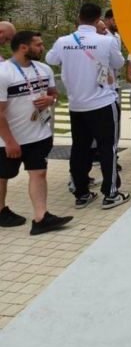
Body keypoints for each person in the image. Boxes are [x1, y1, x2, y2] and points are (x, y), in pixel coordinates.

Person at [47, 2, 129, 210]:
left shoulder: (63, 41)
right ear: (97, 19)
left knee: (80, 148)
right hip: (102, 102)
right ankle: (110, 193)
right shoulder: (106, 41)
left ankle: (81, 193)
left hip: (76, 104)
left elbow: (50, 58)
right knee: (107, 147)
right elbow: (119, 64)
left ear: (79, 17)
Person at [0, 31, 72, 235]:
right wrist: (10, 141)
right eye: (38, 45)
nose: (43, 48)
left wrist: (51, 101)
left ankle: (41, 217)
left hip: (38, 134)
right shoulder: (4, 73)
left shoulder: (44, 69)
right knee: (3, 176)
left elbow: (54, 95)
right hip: (9, 139)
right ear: (24, 47)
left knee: (39, 172)